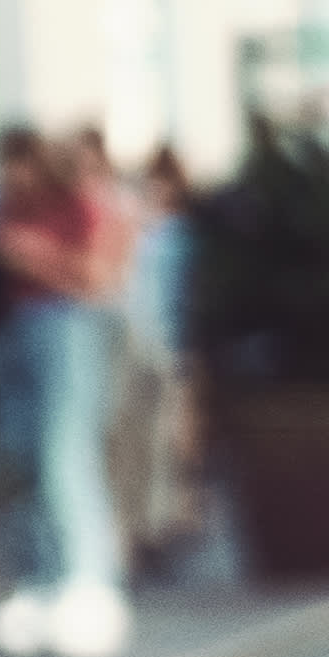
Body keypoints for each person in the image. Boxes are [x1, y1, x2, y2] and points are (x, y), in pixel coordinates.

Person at [0, 126, 129, 657]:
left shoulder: (79, 204)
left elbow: (96, 276)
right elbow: (3, 250)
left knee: (64, 454)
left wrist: (35, 257)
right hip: (25, 328)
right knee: (29, 457)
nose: (7, 177)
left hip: (66, 329)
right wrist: (49, 260)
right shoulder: (10, 208)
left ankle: (89, 578)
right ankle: (48, 579)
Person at [112, 147, 204, 571]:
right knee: (139, 444)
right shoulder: (141, 234)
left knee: (166, 442)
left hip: (168, 349)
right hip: (139, 349)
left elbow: (184, 298)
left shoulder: (178, 237)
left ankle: (163, 524)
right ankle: (145, 528)